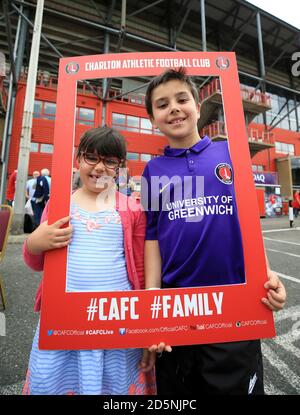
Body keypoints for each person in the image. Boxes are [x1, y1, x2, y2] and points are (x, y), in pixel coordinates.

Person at [141, 68, 286, 395]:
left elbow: (248, 222)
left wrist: (266, 273)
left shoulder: (231, 155)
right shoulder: (153, 171)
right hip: (176, 309)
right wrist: (152, 298)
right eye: (162, 104)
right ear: (153, 119)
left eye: (182, 99)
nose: (174, 108)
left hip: (233, 309)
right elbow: (152, 237)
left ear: (197, 106)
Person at [22, 127, 156, 395]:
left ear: (120, 168)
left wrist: (146, 326)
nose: (99, 167)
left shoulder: (131, 209)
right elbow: (38, 262)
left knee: (115, 386)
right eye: (91, 157)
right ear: (77, 159)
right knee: (56, 383)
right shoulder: (59, 205)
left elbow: (140, 270)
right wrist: (34, 242)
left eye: (109, 161)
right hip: (64, 319)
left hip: (118, 322)